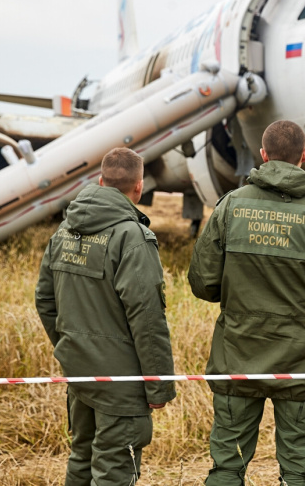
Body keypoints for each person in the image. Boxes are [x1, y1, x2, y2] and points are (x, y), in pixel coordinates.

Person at [188, 120, 305, 486]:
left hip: (238, 356)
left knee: (226, 468)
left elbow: (203, 283)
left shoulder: (230, 207)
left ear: (262, 155)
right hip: (301, 362)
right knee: (298, 471)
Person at [36, 147, 176, 485]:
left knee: (82, 459)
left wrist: (73, 347)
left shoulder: (64, 232)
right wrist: (158, 386)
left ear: (100, 181)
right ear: (139, 188)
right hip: (120, 384)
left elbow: (44, 300)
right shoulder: (132, 238)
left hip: (80, 374)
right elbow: (146, 318)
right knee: (114, 470)